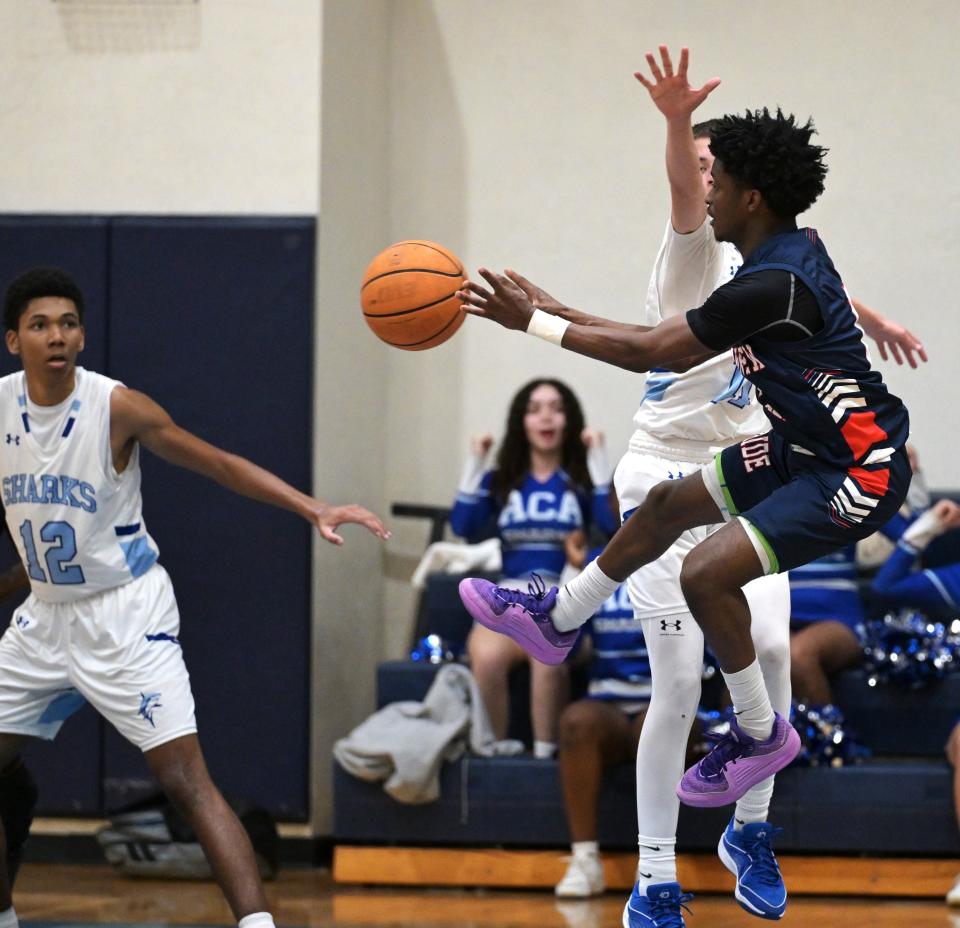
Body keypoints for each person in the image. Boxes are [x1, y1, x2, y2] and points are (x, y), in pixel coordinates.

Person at [456, 96, 913, 924]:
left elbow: (647, 349)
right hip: (795, 446)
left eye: (721, 178)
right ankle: (562, 616)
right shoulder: (781, 252)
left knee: (710, 577)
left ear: (750, 197)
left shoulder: (769, 280)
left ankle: (758, 734)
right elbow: (655, 336)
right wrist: (552, 312)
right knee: (667, 506)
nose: (706, 192)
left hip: (854, 469)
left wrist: (537, 325)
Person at [0, 267, 389, 928]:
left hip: (125, 614)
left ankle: (258, 925)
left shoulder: (116, 407)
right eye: (40, 325)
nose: (57, 336)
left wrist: (311, 507)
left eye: (67, 323)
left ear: (83, 335)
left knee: (186, 781)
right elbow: (41, 535)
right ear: (14, 341)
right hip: (44, 617)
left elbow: (218, 463)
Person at [450, 378, 612, 758]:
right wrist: (475, 460)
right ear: (521, 421)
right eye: (535, 408)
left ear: (569, 420)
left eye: (556, 407)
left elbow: (612, 525)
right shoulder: (503, 480)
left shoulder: (582, 480)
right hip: (508, 598)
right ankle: (495, 753)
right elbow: (463, 526)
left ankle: (543, 757)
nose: (546, 417)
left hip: (565, 598)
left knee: (547, 656)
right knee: (486, 656)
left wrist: (600, 462)